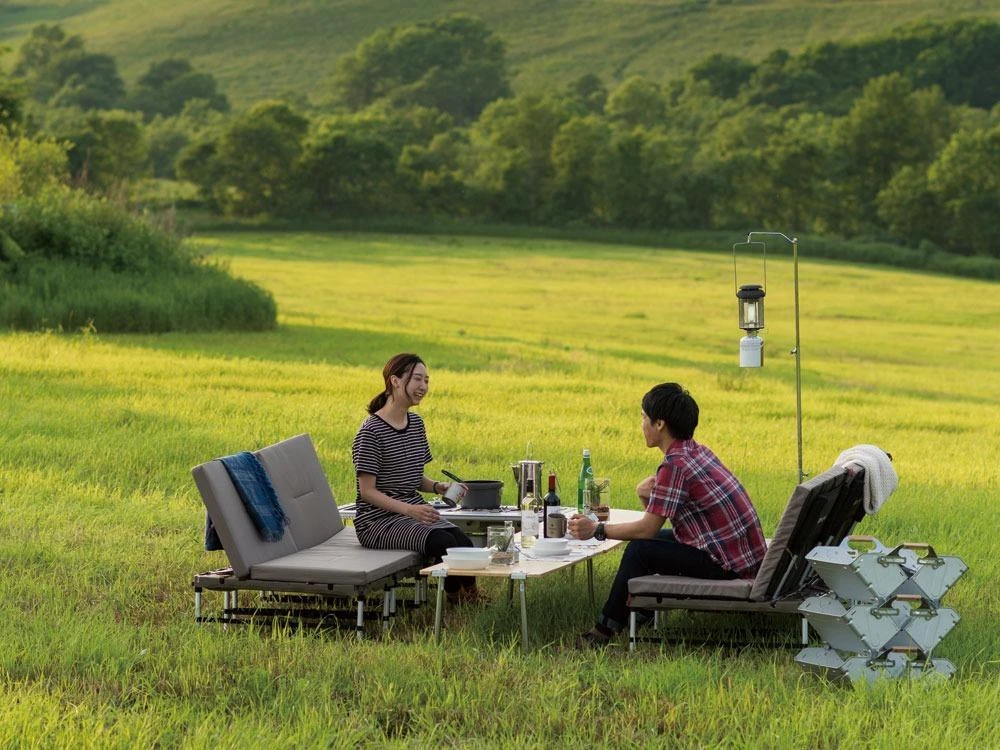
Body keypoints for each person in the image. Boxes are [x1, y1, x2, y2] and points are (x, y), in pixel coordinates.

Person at [569, 382, 767, 647]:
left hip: (727, 565)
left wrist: (597, 530)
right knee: (651, 544)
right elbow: (665, 521)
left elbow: (646, 530)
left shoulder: (675, 465)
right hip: (737, 554)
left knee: (639, 550)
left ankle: (604, 630)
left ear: (660, 424)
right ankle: (641, 613)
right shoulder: (696, 450)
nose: (642, 425)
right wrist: (644, 495)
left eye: (643, 418)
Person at [351, 353, 481, 603]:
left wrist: (438, 486)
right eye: (417, 379)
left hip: (410, 513)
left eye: (427, 380)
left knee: (463, 541)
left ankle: (470, 596)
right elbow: (367, 492)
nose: (423, 386)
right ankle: (455, 599)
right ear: (395, 381)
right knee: (443, 542)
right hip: (377, 522)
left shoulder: (416, 424)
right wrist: (410, 510)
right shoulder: (371, 432)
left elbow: (413, 476)